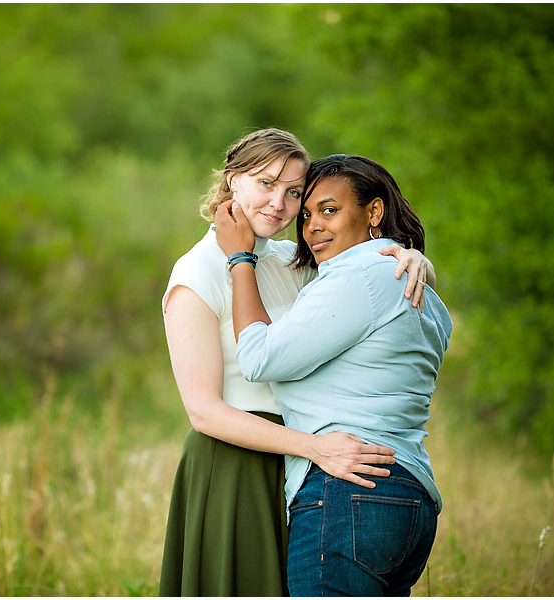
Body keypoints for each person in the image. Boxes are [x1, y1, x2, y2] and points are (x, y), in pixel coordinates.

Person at [159, 131, 435, 597]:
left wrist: (412, 259)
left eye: (293, 192)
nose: (280, 204)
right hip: (236, 466)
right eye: (265, 184)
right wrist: (313, 447)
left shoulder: (293, 260)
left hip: (305, 466)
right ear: (232, 182)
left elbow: (366, 283)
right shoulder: (196, 273)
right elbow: (203, 411)